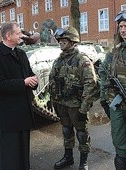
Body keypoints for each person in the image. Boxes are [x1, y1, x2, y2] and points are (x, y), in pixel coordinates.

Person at [0, 22, 38, 170]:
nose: (21, 36)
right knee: (10, 157)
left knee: (23, 155)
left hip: (23, 112)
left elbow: (29, 74)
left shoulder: (21, 53)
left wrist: (33, 81)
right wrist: (23, 82)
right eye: (18, 33)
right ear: (8, 36)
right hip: (9, 116)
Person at [49, 26, 98, 170]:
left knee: (82, 134)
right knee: (66, 131)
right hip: (62, 104)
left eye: (64, 39)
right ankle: (68, 157)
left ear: (72, 41)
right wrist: (54, 101)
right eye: (59, 40)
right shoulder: (58, 61)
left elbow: (91, 84)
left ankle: (84, 161)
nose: (60, 42)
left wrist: (84, 108)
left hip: (77, 106)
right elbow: (52, 81)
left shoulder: (82, 60)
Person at [99, 10, 126, 170]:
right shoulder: (114, 52)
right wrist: (104, 100)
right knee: (120, 148)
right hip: (117, 108)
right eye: (121, 26)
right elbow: (103, 75)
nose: (123, 30)